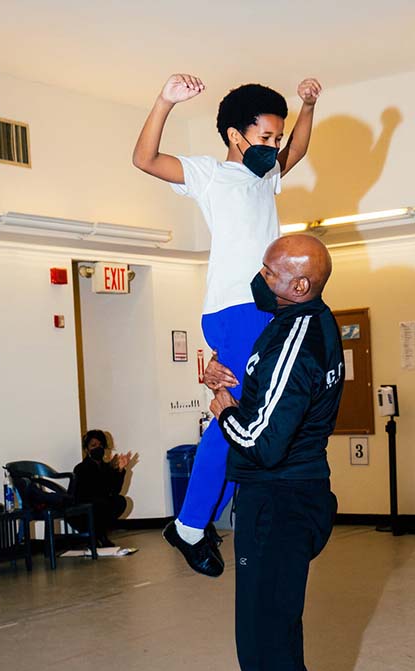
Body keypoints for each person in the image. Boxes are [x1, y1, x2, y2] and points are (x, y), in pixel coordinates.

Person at [133, 73, 322, 576]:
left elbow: (298, 151)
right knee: (235, 415)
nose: (274, 146)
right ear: (236, 135)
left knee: (253, 414)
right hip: (236, 307)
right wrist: (164, 99)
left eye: (276, 138)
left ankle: (203, 519)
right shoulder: (210, 174)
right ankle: (190, 525)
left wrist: (306, 107)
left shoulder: (265, 176)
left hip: (262, 306)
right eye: (265, 137)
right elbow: (145, 160)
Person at [206, 234, 344, 671]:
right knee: (274, 634)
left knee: (265, 647)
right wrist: (221, 379)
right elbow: (275, 399)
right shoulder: (299, 320)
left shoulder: (297, 338)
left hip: (278, 501)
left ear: (300, 286)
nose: (259, 278)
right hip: (291, 495)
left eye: (269, 272)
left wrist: (225, 410)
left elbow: (263, 444)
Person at [70, 430, 132, 548]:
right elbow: (91, 492)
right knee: (100, 503)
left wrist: (119, 470)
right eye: (93, 445)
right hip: (82, 512)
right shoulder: (80, 468)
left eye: (101, 445)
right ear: (87, 449)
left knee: (120, 501)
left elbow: (115, 490)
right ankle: (96, 535)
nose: (98, 448)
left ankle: (100, 534)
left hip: (100, 507)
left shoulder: (106, 467)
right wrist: (110, 469)